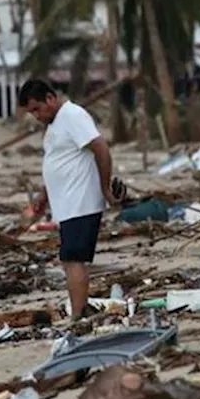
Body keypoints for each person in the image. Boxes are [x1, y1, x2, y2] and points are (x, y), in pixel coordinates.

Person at [18, 79, 119, 322]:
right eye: (31, 112)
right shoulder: (55, 125)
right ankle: (81, 310)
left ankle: (78, 316)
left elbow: (101, 148)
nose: (35, 116)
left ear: (50, 99)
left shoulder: (73, 115)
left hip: (81, 202)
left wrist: (105, 189)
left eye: (36, 109)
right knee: (70, 260)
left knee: (72, 260)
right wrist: (44, 197)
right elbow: (58, 162)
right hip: (67, 205)